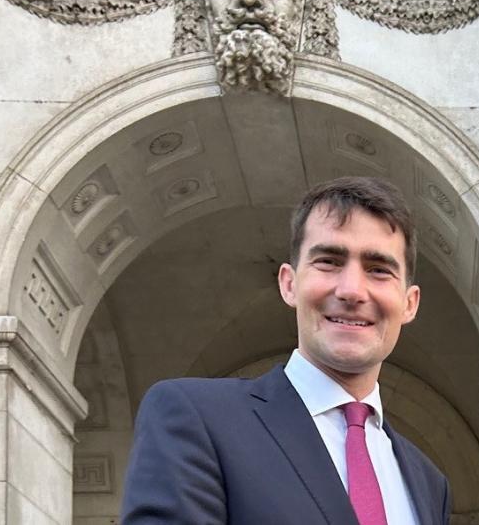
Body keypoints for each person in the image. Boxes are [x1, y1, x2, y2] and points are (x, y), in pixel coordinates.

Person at [121, 176, 450, 525]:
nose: (352, 290)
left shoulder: (430, 484)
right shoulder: (195, 417)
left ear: (410, 303)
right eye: (329, 262)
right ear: (289, 284)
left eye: (379, 270)